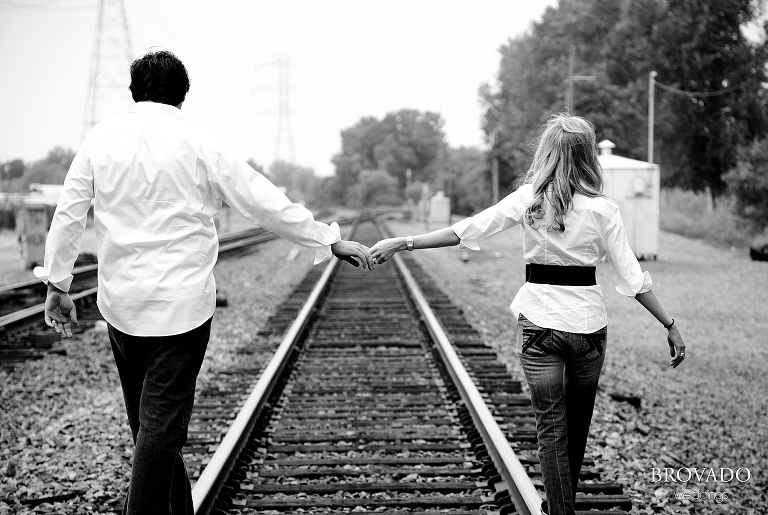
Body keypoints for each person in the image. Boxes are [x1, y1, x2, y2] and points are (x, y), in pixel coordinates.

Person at [35, 49, 374, 515]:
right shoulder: (198, 143)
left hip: (122, 305)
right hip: (182, 308)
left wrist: (58, 283)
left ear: (133, 92)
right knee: (157, 431)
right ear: (182, 96)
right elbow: (262, 200)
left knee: (151, 428)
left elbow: (69, 212)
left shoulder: (99, 140)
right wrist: (326, 239)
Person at [370, 113, 686, 515]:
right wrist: (669, 325)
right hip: (588, 330)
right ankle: (561, 509)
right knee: (575, 431)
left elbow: (467, 229)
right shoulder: (604, 210)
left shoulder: (529, 199)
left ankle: (559, 510)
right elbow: (633, 278)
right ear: (588, 156)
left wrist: (405, 241)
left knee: (551, 430)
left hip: (538, 326)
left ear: (548, 153)